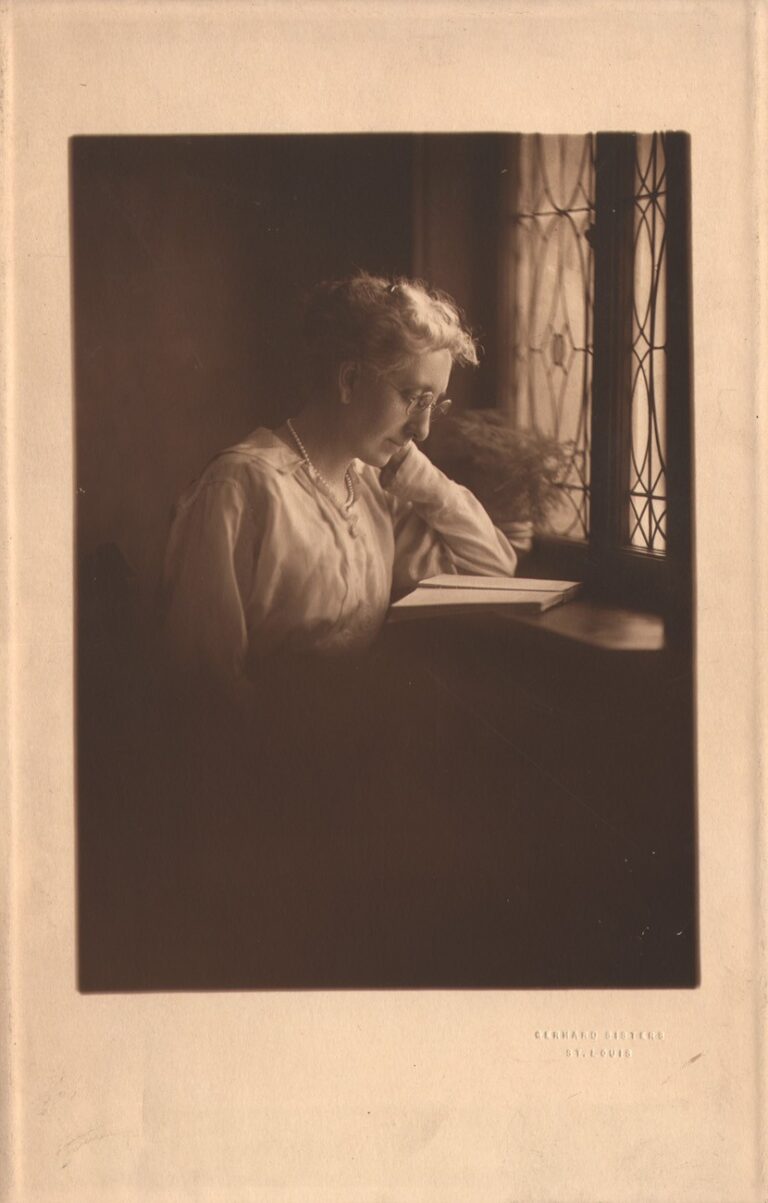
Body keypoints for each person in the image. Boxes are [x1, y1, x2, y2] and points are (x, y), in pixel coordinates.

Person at [160, 272, 530, 694]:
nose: (423, 429)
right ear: (350, 380)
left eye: (434, 404)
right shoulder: (241, 487)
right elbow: (203, 684)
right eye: (415, 398)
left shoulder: (372, 487)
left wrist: (425, 481)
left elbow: (494, 570)